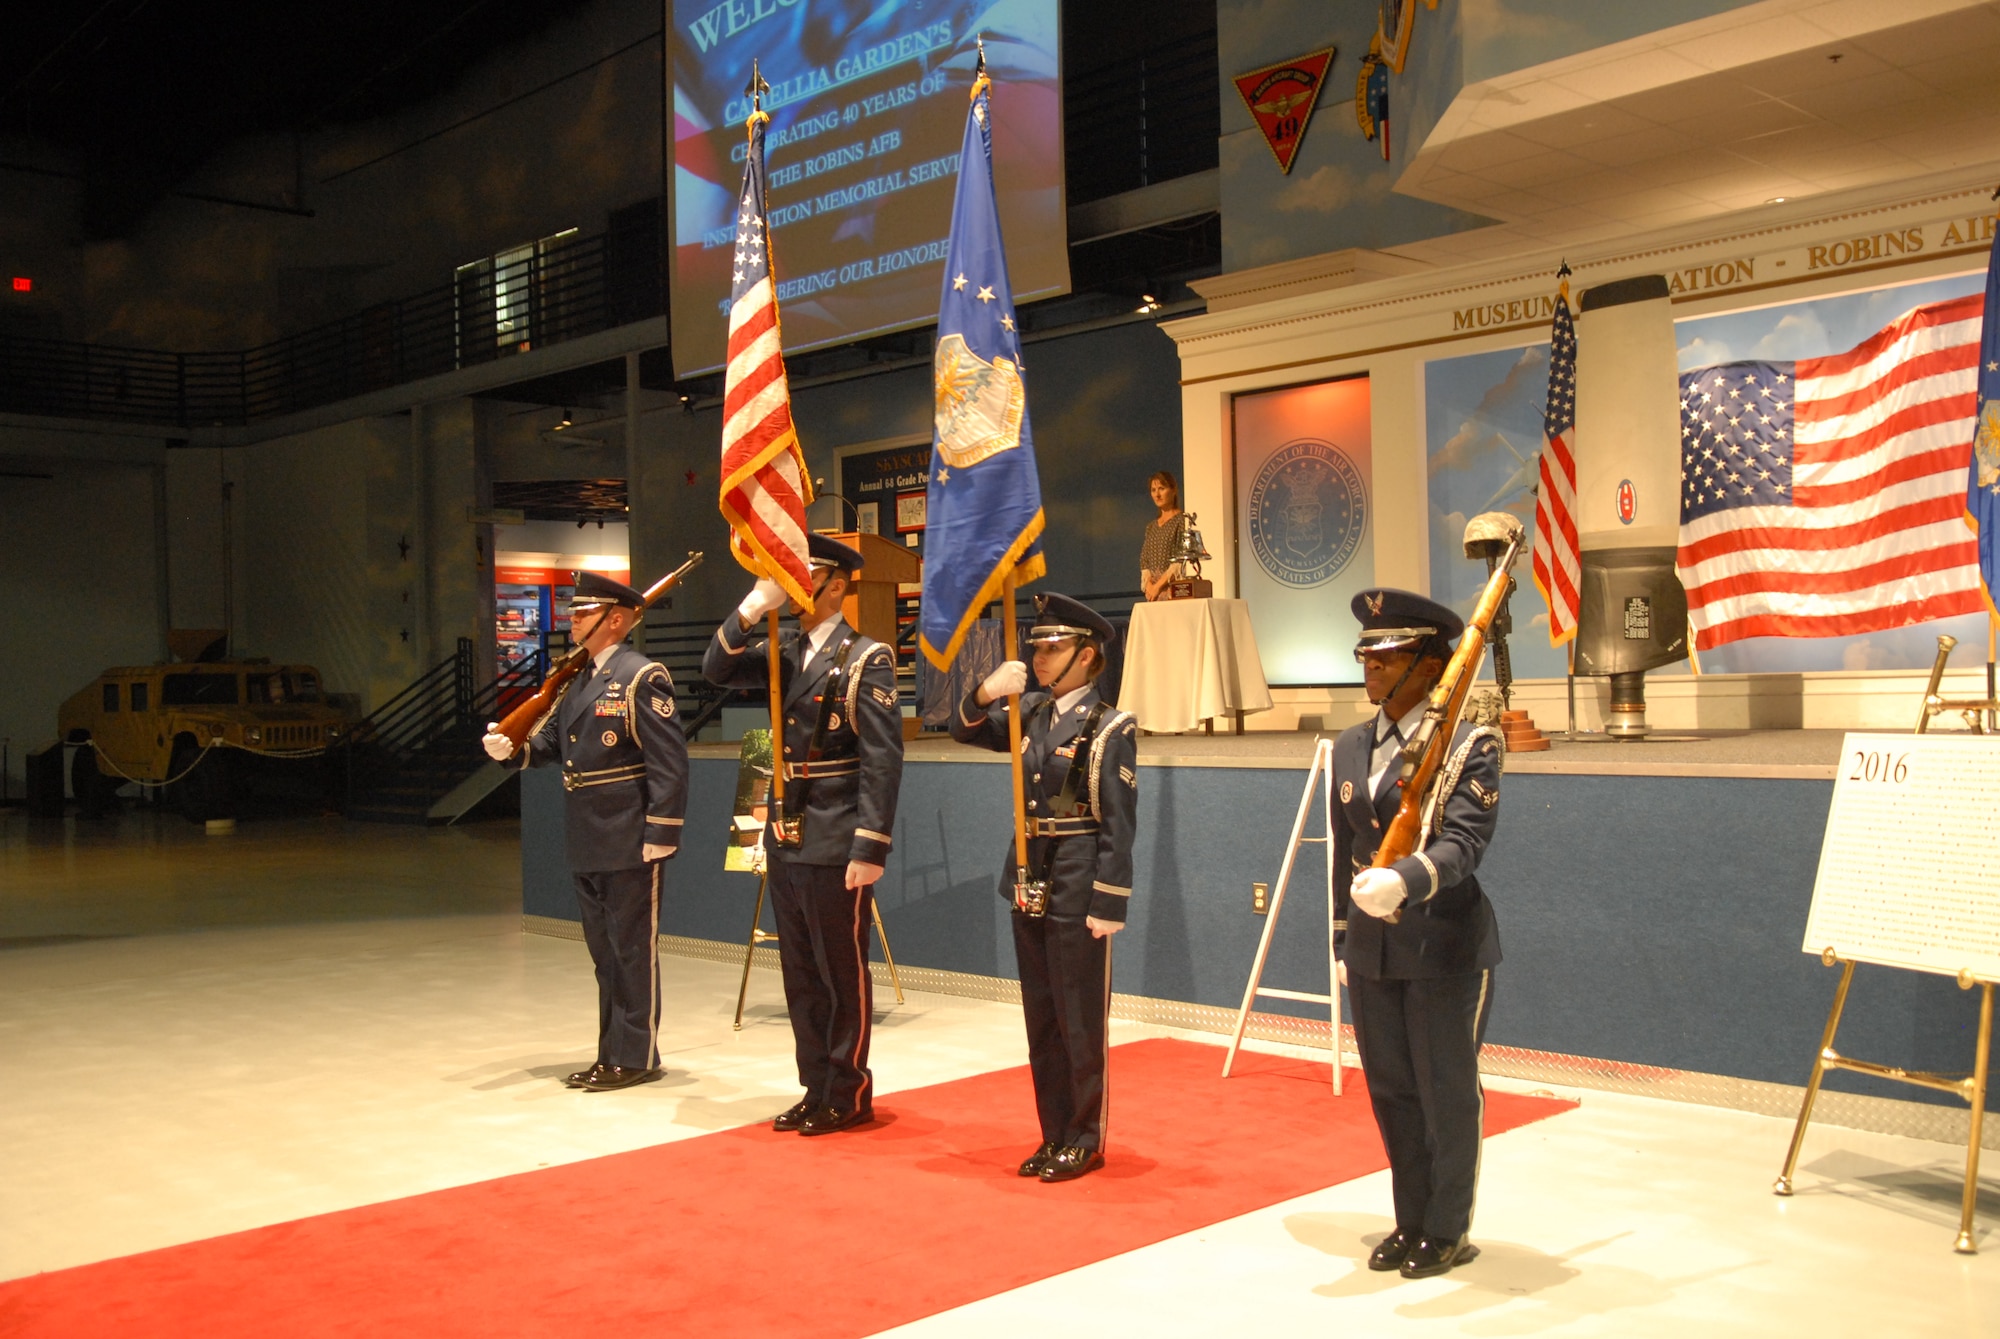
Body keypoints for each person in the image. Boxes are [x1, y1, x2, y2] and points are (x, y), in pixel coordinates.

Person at [702, 533, 903, 1136]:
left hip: (839, 829)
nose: (790, 586)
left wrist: (870, 845)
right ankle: (814, 1085)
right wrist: (749, 610)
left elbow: (882, 761)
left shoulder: (868, 658)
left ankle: (848, 1090)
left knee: (841, 969)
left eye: (802, 576)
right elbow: (713, 672)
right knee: (800, 972)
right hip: (787, 829)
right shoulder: (779, 645)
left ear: (836, 584)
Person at [1333, 588, 1503, 1279]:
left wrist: (1407, 878)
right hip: (1374, 950)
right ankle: (1410, 1219)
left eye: (1391, 653)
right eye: (1367, 653)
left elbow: (1464, 843)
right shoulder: (1349, 746)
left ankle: (1448, 1225)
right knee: (1393, 1090)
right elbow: (1344, 852)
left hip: (1444, 945)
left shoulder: (1470, 745)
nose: (1372, 666)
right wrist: (1345, 936)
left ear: (1432, 664)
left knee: (1445, 1090)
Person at [951, 593, 1138, 1183]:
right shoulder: (1029, 714)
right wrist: (984, 693)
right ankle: (1052, 1131)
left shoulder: (1110, 728)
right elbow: (963, 730)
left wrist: (1110, 898)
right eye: (1037, 647)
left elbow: (1118, 821)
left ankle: (1084, 1136)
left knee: (1079, 1015)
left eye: (1054, 648)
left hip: (1080, 876)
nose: (1040, 658)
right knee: (1043, 1017)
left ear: (1089, 656)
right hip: (1030, 873)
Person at [482, 572, 688, 1092]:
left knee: (632, 951)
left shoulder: (643, 676)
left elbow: (669, 764)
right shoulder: (577, 678)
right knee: (604, 954)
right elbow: (550, 740)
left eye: (582, 612)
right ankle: (611, 1053)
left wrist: (662, 830)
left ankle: (636, 1055)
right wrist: (514, 750)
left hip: (628, 832)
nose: (572, 619)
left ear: (614, 619)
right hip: (587, 834)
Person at [1138, 470, 1182, 602]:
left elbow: (1179, 561)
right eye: (1153, 490)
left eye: (1161, 489)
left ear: (1173, 490)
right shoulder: (1151, 527)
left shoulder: (1182, 521)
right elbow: (1144, 561)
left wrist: (1158, 586)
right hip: (1153, 596)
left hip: (1172, 593)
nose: (1157, 494)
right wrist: (1150, 587)